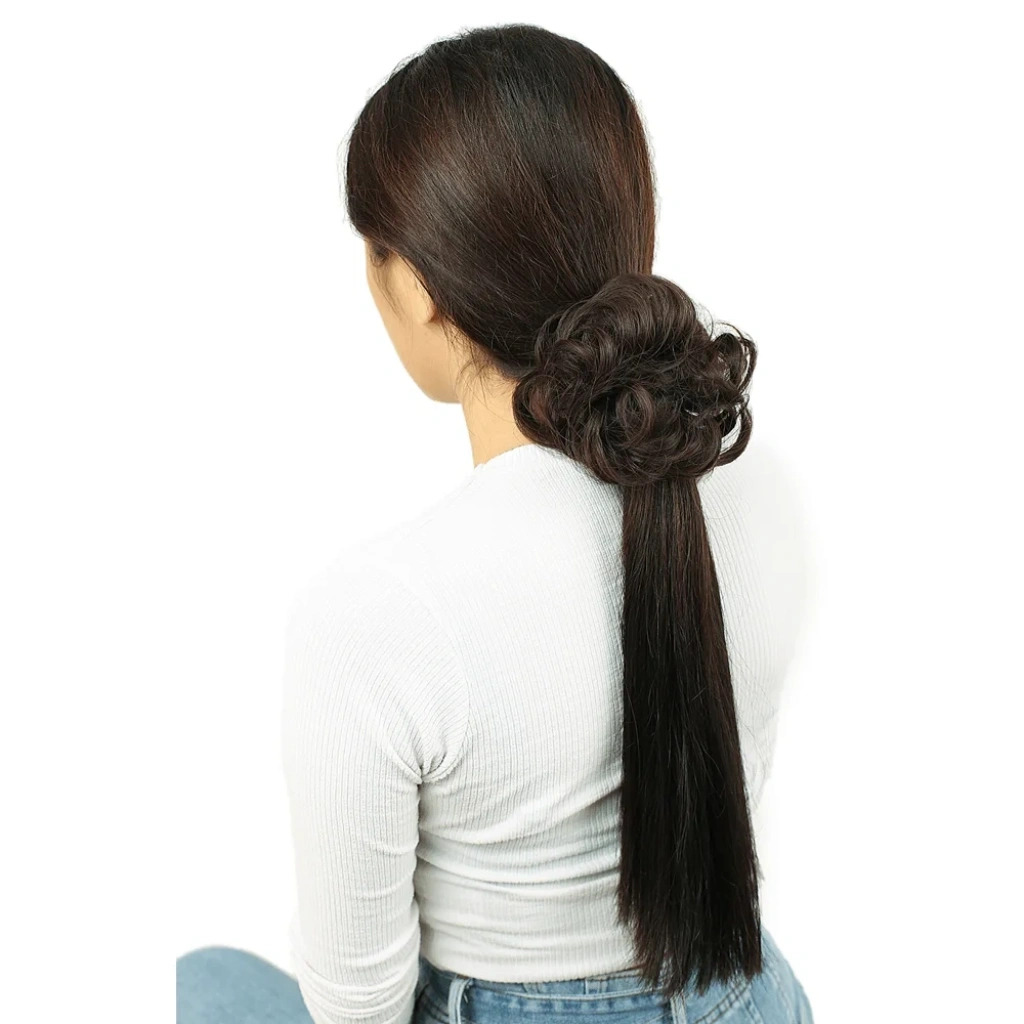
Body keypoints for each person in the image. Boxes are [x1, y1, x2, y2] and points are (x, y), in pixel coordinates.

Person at [177, 22, 814, 1024]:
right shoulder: (755, 489)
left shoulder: (378, 613)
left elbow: (359, 1007)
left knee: (197, 982)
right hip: (741, 997)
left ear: (418, 288)